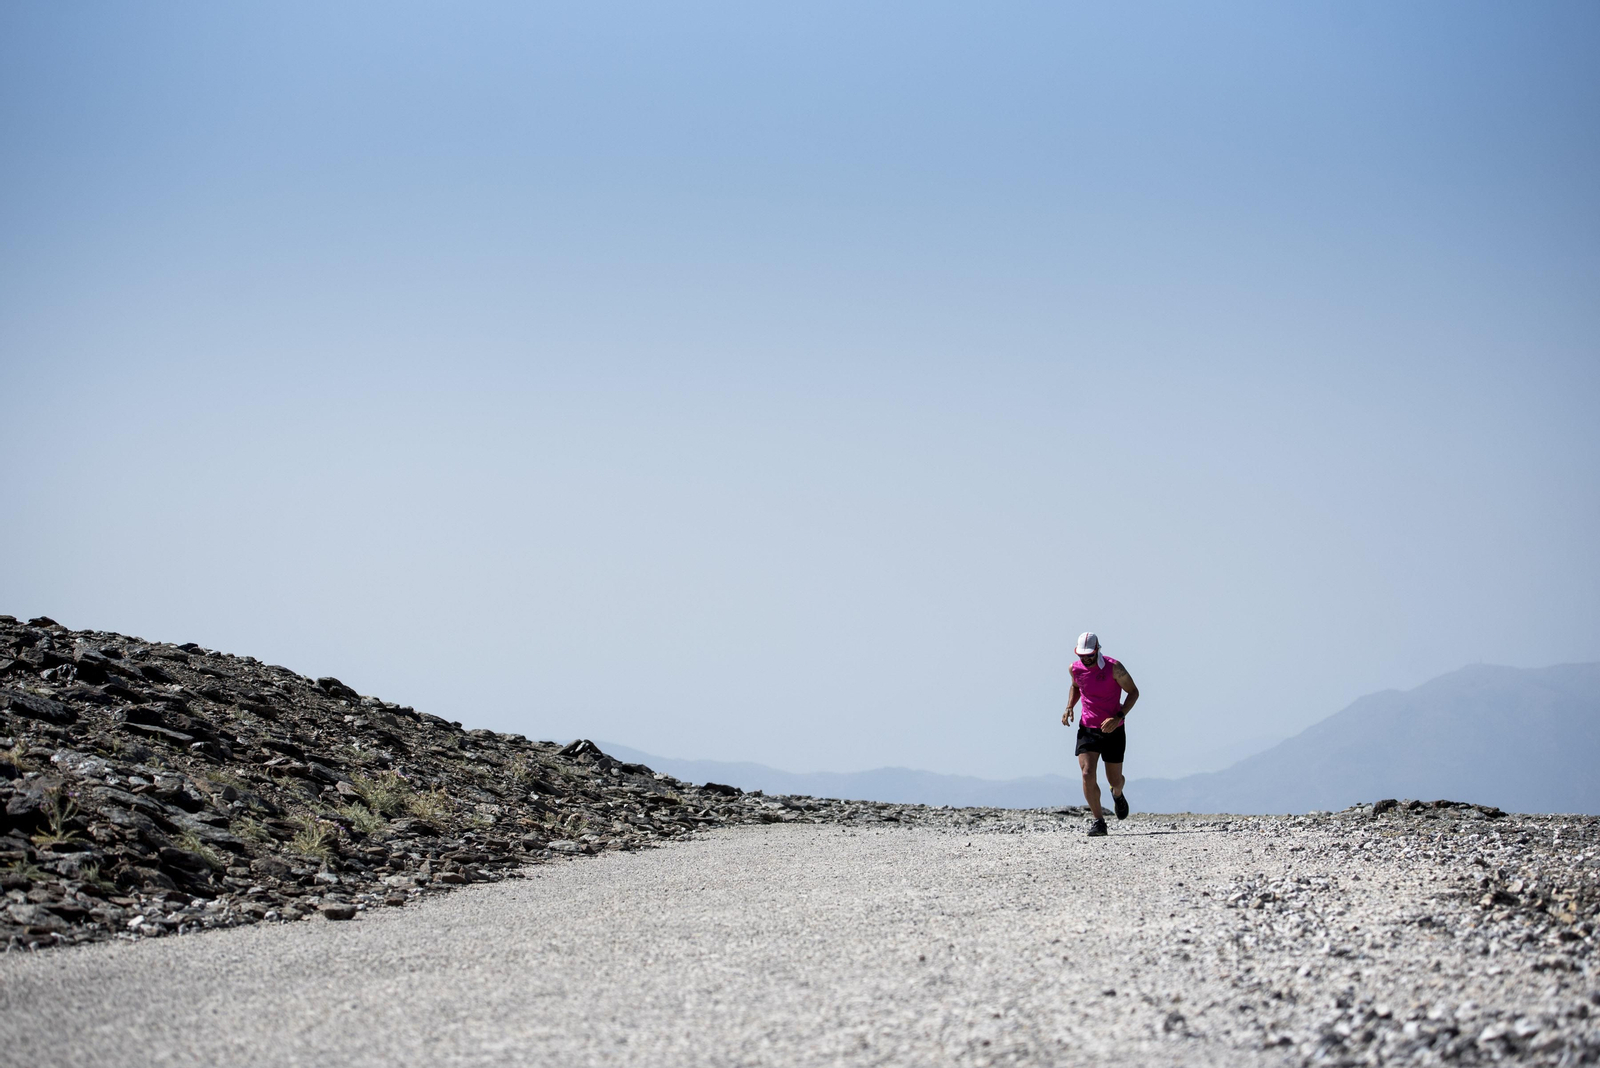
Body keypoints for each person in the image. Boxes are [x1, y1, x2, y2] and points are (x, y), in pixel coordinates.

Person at [1061, 632, 1139, 837]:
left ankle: (1117, 793)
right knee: (1087, 773)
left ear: (1097, 650)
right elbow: (1076, 686)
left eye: (1089, 655)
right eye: (1082, 655)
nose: (1085, 659)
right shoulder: (1074, 669)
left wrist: (1118, 717)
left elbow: (1134, 692)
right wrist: (1069, 707)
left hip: (1114, 729)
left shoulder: (1115, 668)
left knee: (1115, 779)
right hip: (1088, 728)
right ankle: (1099, 822)